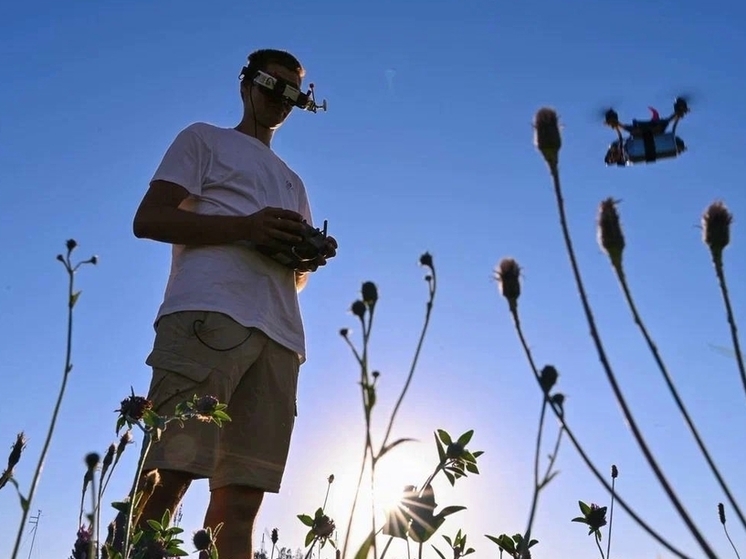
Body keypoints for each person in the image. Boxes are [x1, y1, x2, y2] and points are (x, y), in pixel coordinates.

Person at [124, 48, 337, 559]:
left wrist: (304, 257)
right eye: (272, 85)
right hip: (207, 317)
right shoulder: (204, 139)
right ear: (246, 84)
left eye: (294, 93)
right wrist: (245, 228)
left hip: (281, 337)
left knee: (241, 504)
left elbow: (294, 278)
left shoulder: (294, 182)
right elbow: (149, 219)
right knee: (168, 474)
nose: (281, 100)